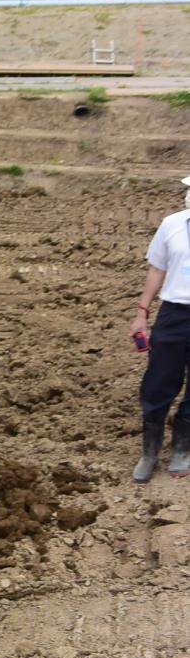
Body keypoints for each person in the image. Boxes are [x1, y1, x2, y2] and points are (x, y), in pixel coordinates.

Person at [132, 173, 190, 482]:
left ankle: (181, 449)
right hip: (174, 313)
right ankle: (149, 452)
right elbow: (157, 268)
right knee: (158, 382)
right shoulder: (172, 225)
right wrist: (142, 311)